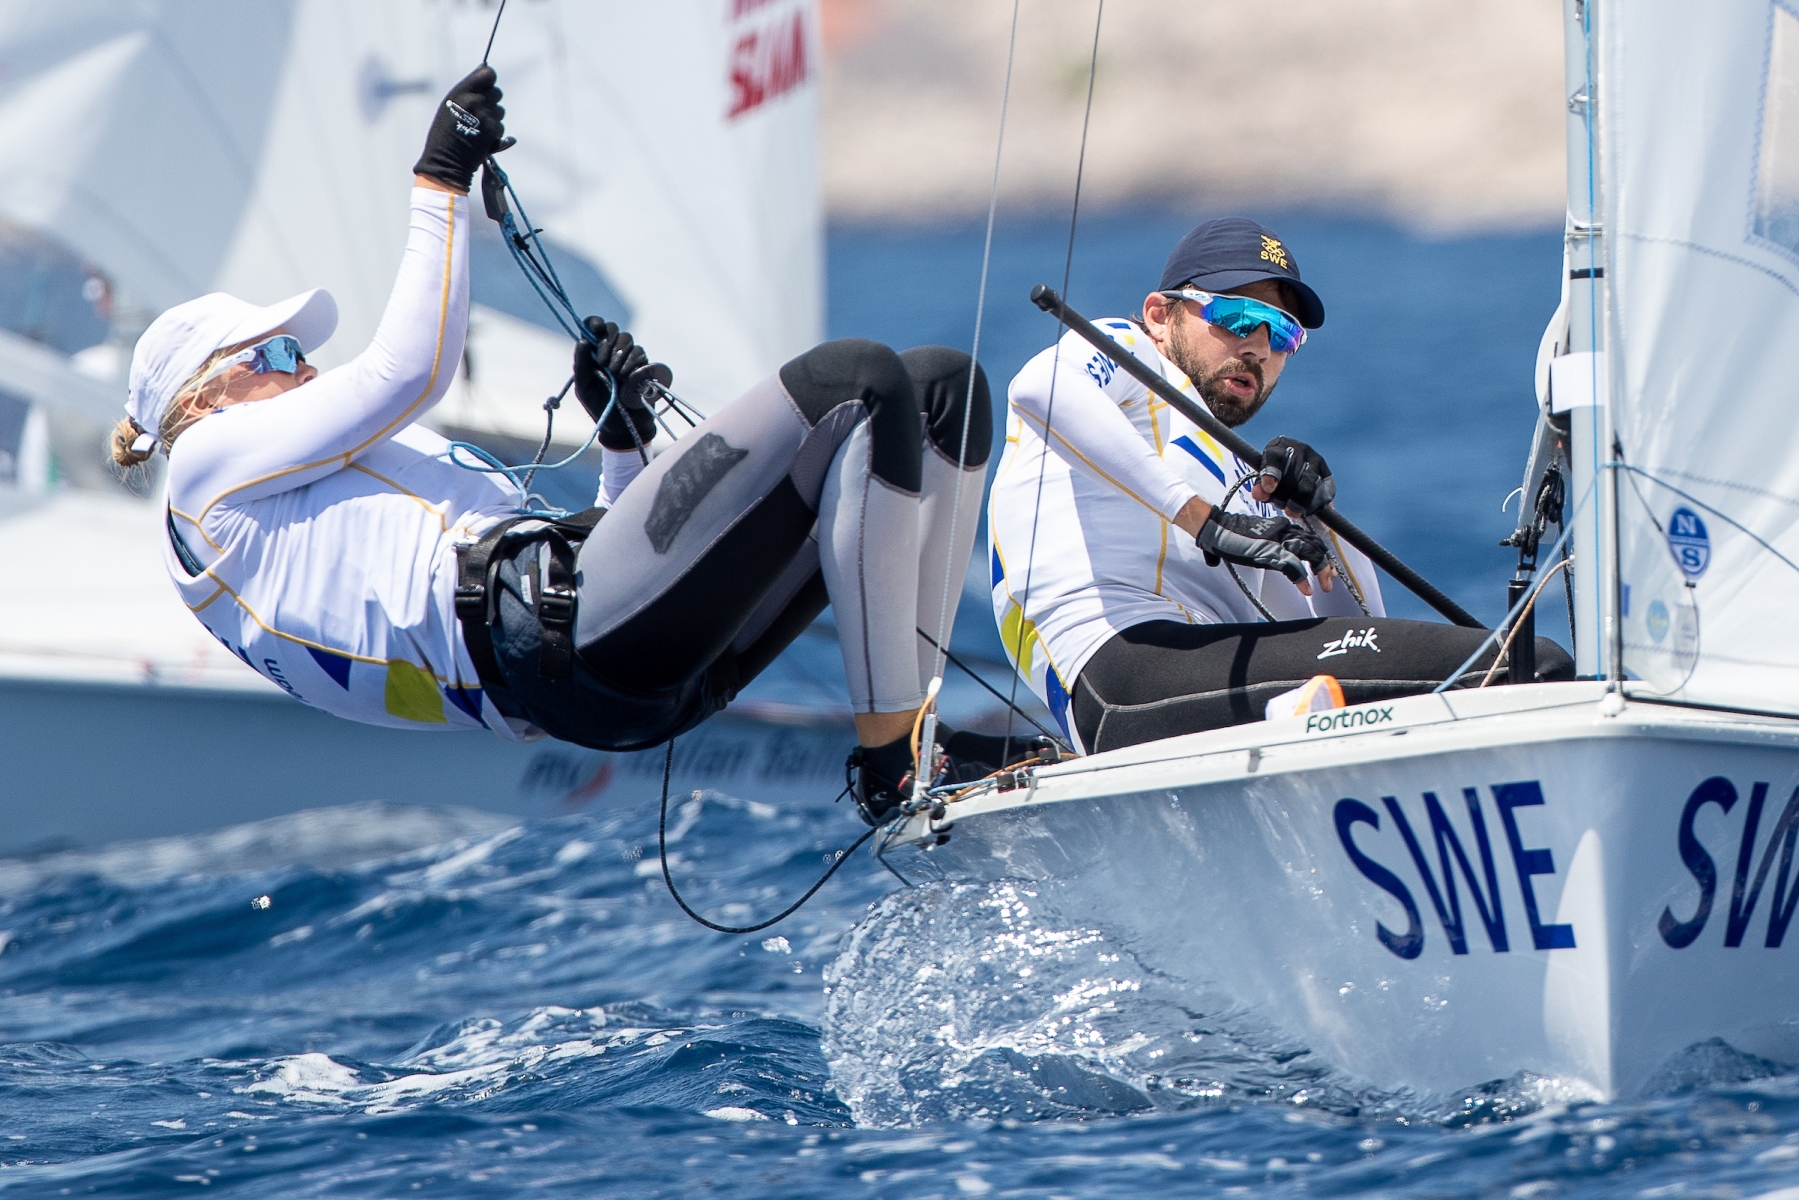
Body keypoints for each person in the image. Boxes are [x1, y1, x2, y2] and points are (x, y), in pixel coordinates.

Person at [110, 66, 997, 825]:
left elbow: (614, 566)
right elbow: (409, 370)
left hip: (606, 665)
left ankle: (915, 742)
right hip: (563, 651)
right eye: (275, 354)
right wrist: (440, 177)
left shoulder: (293, 499)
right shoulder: (204, 472)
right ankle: (893, 768)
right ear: (202, 394)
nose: (303, 369)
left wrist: (620, 437)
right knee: (853, 379)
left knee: (937, 390)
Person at [986, 217, 1572, 756]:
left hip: (1199, 678)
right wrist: (1205, 522)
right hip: (1120, 673)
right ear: (1163, 314)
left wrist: (1316, 516)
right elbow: (1041, 389)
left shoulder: (1244, 486)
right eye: (1238, 318)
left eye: (1282, 333)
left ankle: (1298, 726)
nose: (1259, 347)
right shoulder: (1131, 353)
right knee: (1532, 667)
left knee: (1518, 665)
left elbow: (1344, 620)